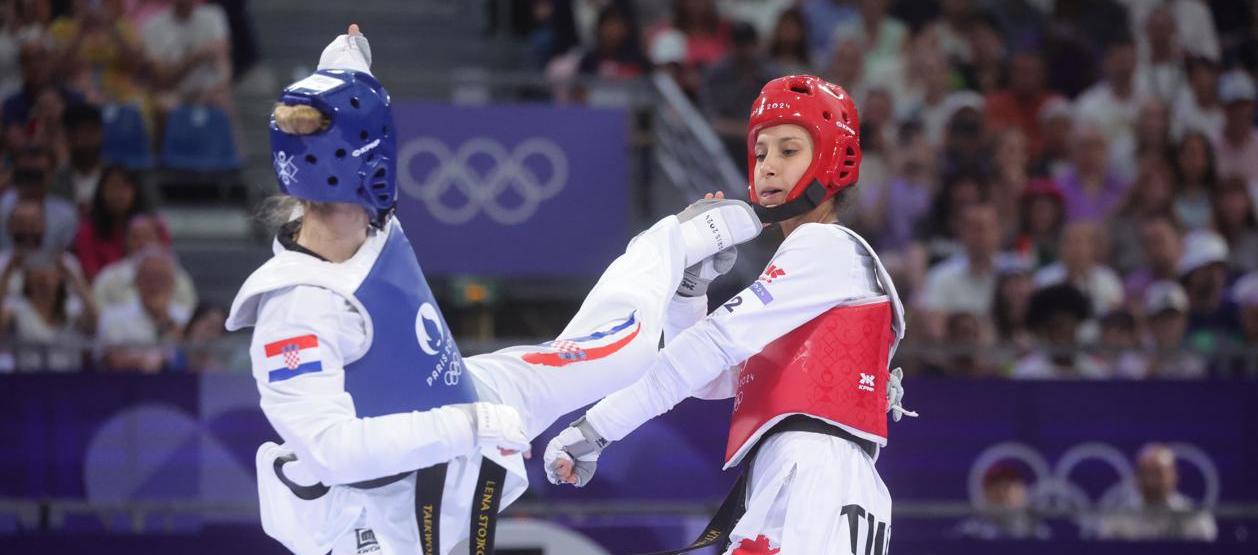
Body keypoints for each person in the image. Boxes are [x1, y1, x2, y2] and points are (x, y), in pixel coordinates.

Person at [226, 27, 762, 555]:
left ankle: (675, 241)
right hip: (369, 504)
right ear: (373, 159)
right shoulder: (296, 309)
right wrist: (469, 426)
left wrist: (345, 55)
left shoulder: (368, 215)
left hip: (469, 391)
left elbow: (337, 99)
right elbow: (330, 452)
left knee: (627, 352)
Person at [543, 75, 913, 554]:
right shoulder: (811, 271)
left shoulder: (825, 246)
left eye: (789, 150)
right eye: (760, 154)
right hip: (809, 476)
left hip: (815, 476)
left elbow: (711, 346)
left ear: (831, 159)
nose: (769, 168)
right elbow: (711, 379)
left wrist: (595, 429)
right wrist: (690, 292)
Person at [1098, 443, 1218, 541]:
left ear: (1174, 476)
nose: (1152, 481)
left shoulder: (1195, 517)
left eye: (1159, 474)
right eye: (1146, 473)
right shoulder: (1116, 520)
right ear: (1136, 478)